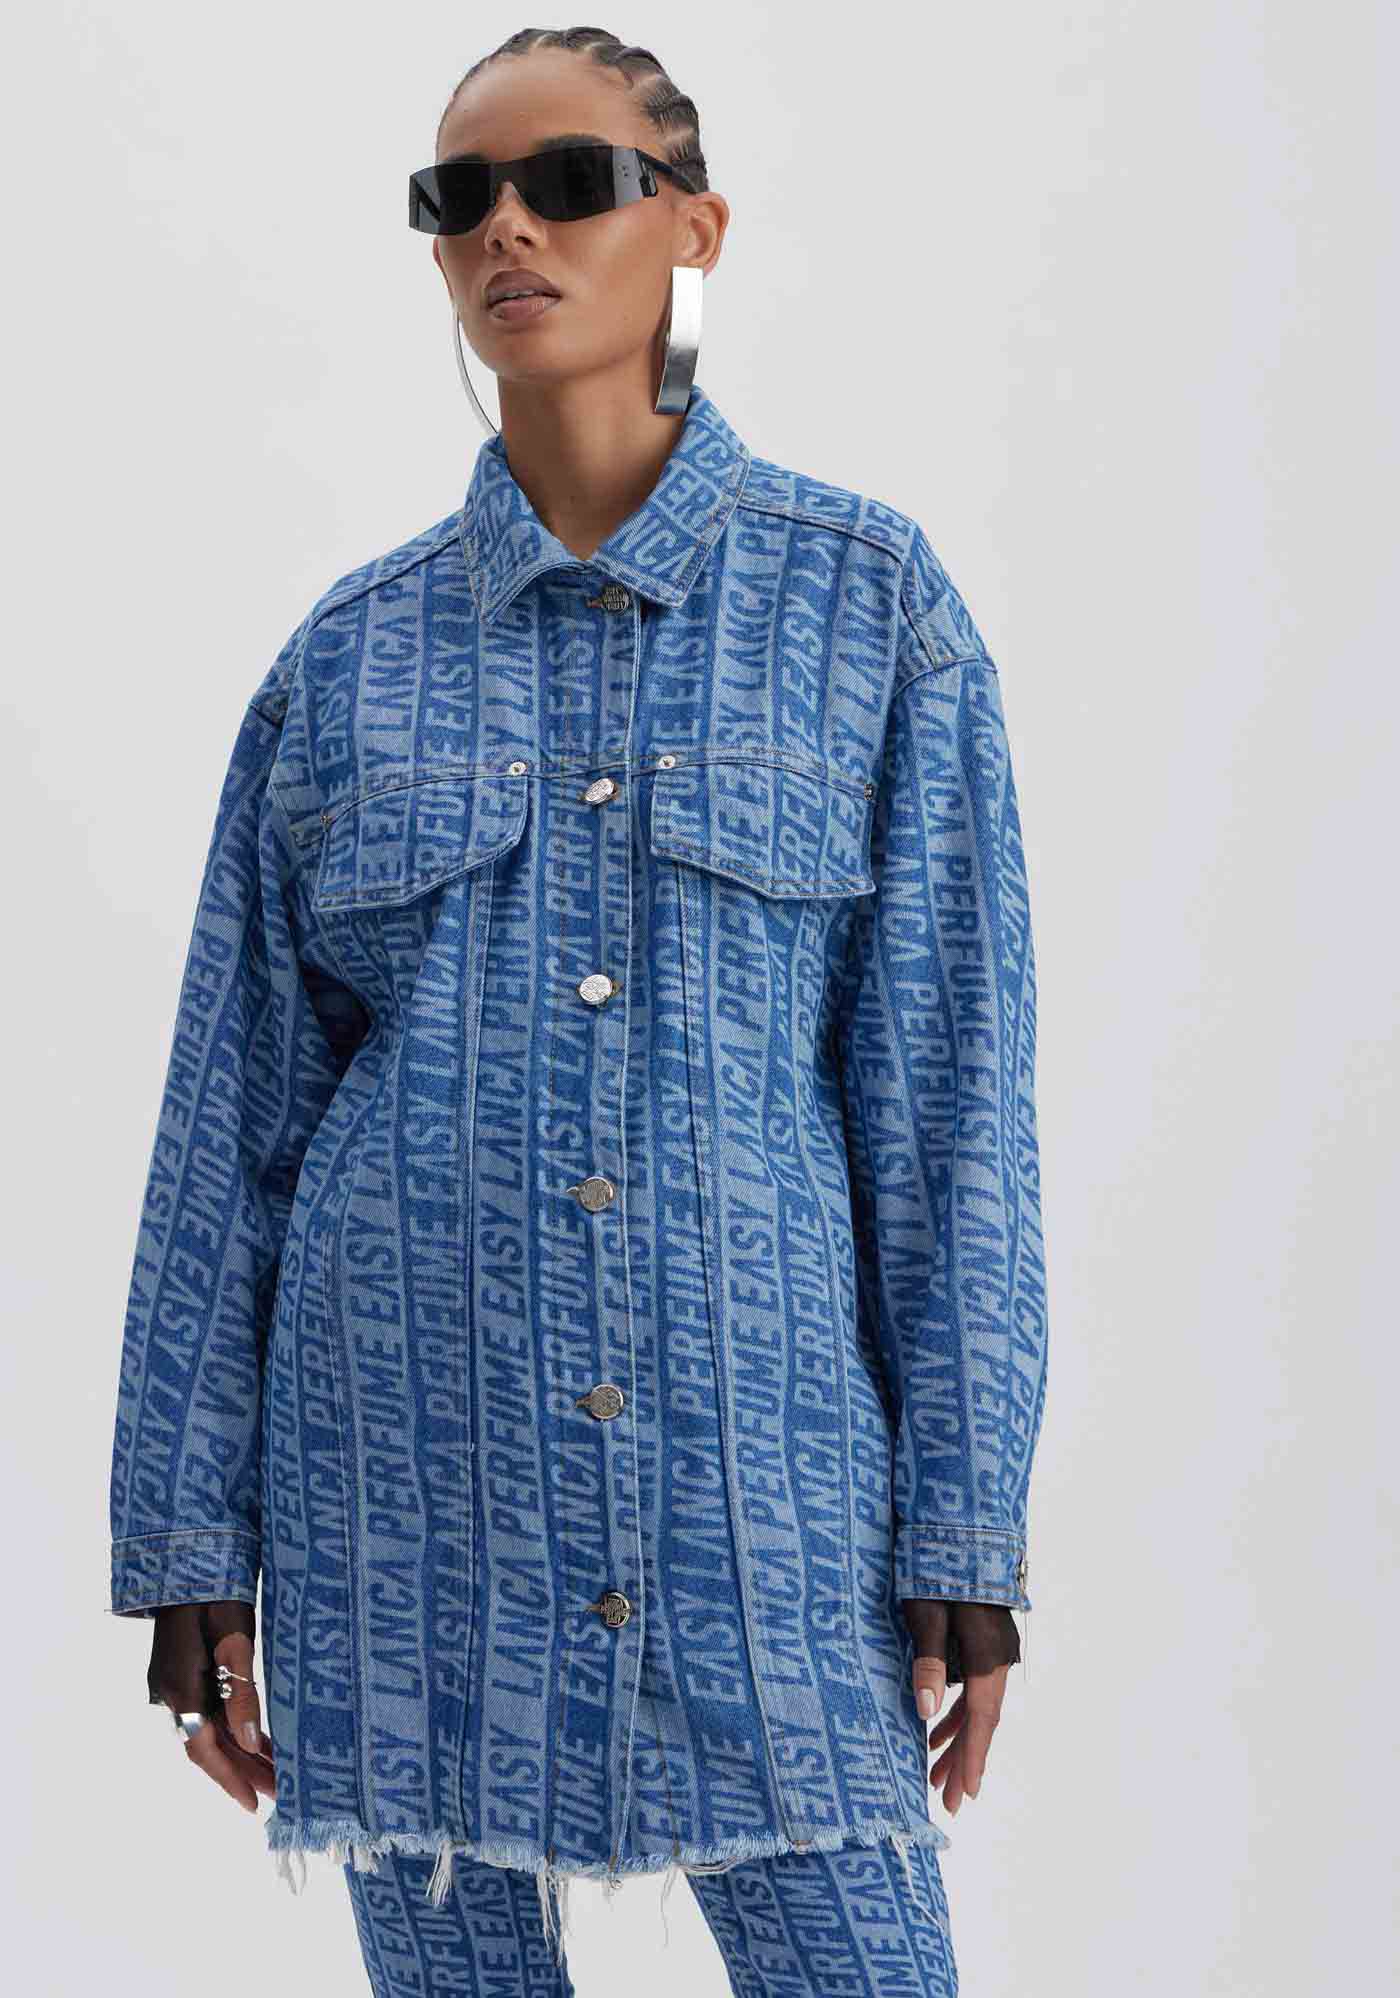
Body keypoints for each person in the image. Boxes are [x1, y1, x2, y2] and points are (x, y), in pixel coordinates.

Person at [107, 24, 1049, 1997]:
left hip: (762, 1499)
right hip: (401, 1506)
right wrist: (188, 1542)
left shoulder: (869, 608)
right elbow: (233, 1128)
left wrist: (965, 1529)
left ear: (693, 227)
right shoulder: (342, 662)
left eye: (570, 182)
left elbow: (949, 1109)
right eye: (459, 197)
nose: (508, 228)